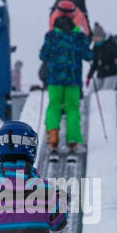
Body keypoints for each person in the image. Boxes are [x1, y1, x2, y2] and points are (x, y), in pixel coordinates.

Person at [39, 12, 92, 151]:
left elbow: (43, 55)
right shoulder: (78, 36)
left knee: (54, 106)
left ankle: (53, 138)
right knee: (72, 109)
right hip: (73, 79)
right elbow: (87, 55)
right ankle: (73, 141)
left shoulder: (51, 36)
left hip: (54, 79)